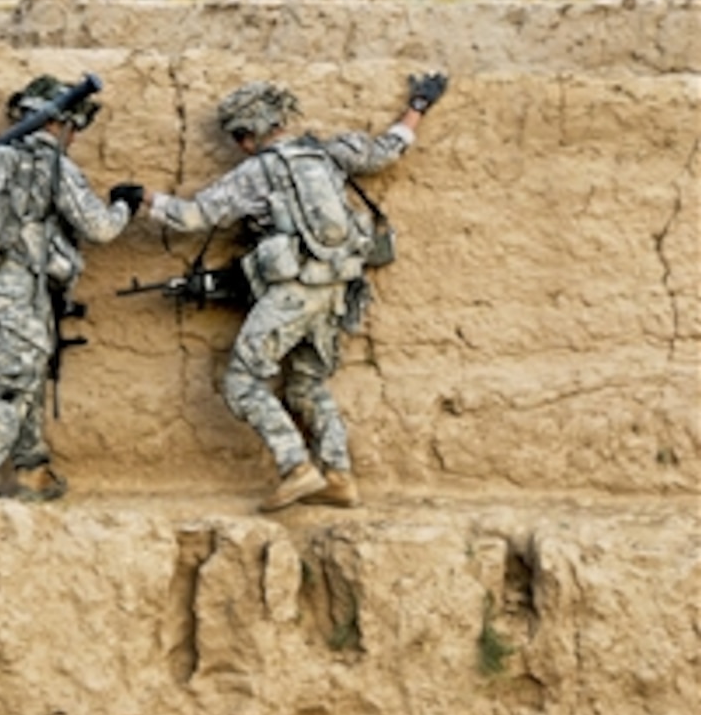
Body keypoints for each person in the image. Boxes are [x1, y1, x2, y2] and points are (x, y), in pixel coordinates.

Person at [110, 73, 448, 512]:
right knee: (307, 383)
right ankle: (339, 476)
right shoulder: (330, 152)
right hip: (340, 292)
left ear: (249, 134)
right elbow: (390, 147)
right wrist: (418, 105)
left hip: (294, 291)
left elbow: (194, 216)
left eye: (237, 136)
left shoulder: (257, 173)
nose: (238, 145)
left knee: (243, 381)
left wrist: (144, 199)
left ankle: (296, 468)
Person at [0, 75, 138, 501]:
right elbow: (100, 228)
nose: (74, 138)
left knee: (25, 375)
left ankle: (32, 471)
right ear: (61, 122)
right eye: (74, 128)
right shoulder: (49, 164)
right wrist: (125, 205)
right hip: (16, 289)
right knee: (17, 387)